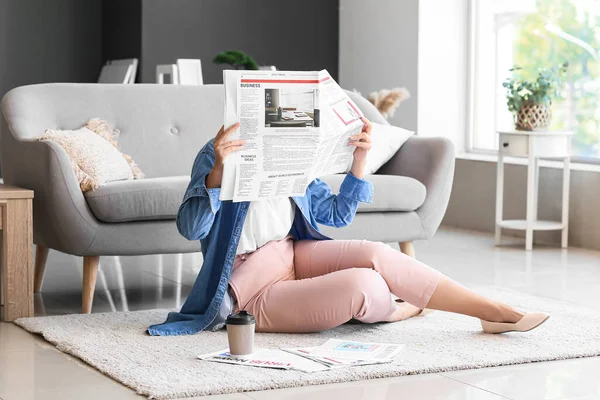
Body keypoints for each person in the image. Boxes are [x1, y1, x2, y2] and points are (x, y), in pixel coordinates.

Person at [148, 119, 549, 336]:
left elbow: (337, 215)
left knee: (377, 254)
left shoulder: (292, 150)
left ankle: (492, 313)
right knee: (364, 285)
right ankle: (395, 312)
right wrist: (217, 172)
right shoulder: (218, 152)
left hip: (292, 252)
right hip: (247, 286)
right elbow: (191, 227)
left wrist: (359, 161)